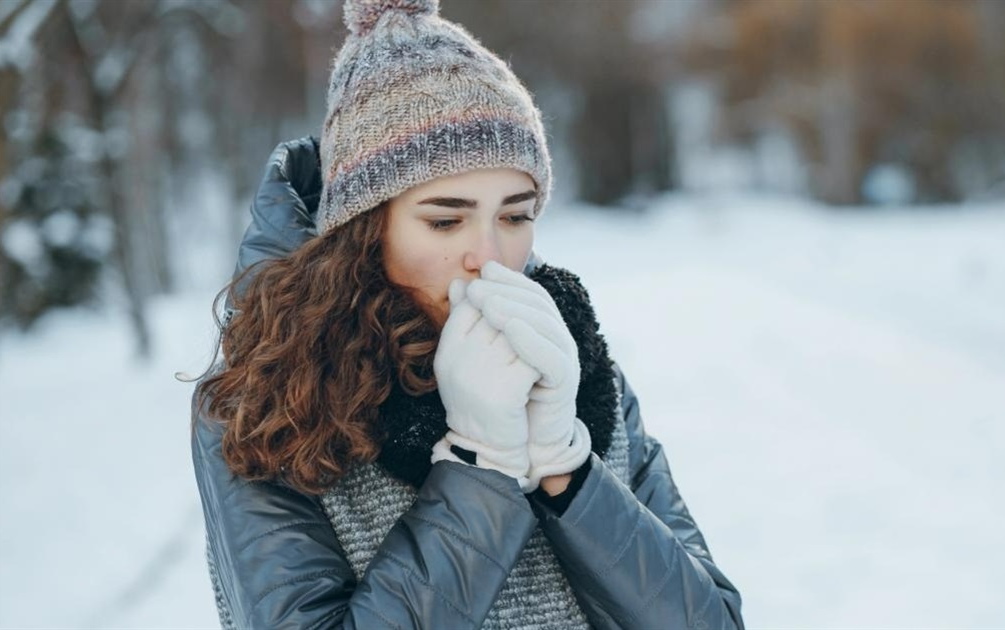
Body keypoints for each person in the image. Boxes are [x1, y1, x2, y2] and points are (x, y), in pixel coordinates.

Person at [189, 0, 744, 627]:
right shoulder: (268, 396)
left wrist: (566, 466)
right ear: (364, 230)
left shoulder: (577, 367)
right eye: (445, 220)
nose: (490, 258)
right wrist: (480, 468)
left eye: (515, 216)